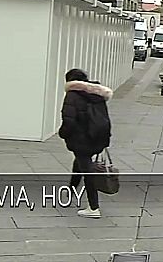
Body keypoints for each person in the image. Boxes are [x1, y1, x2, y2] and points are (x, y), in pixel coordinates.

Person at [58, 68, 113, 219]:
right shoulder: (97, 94)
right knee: (80, 163)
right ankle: (71, 192)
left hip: (81, 139)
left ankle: (93, 207)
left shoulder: (72, 95)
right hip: (96, 137)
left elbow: (68, 120)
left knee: (87, 169)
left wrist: (63, 133)